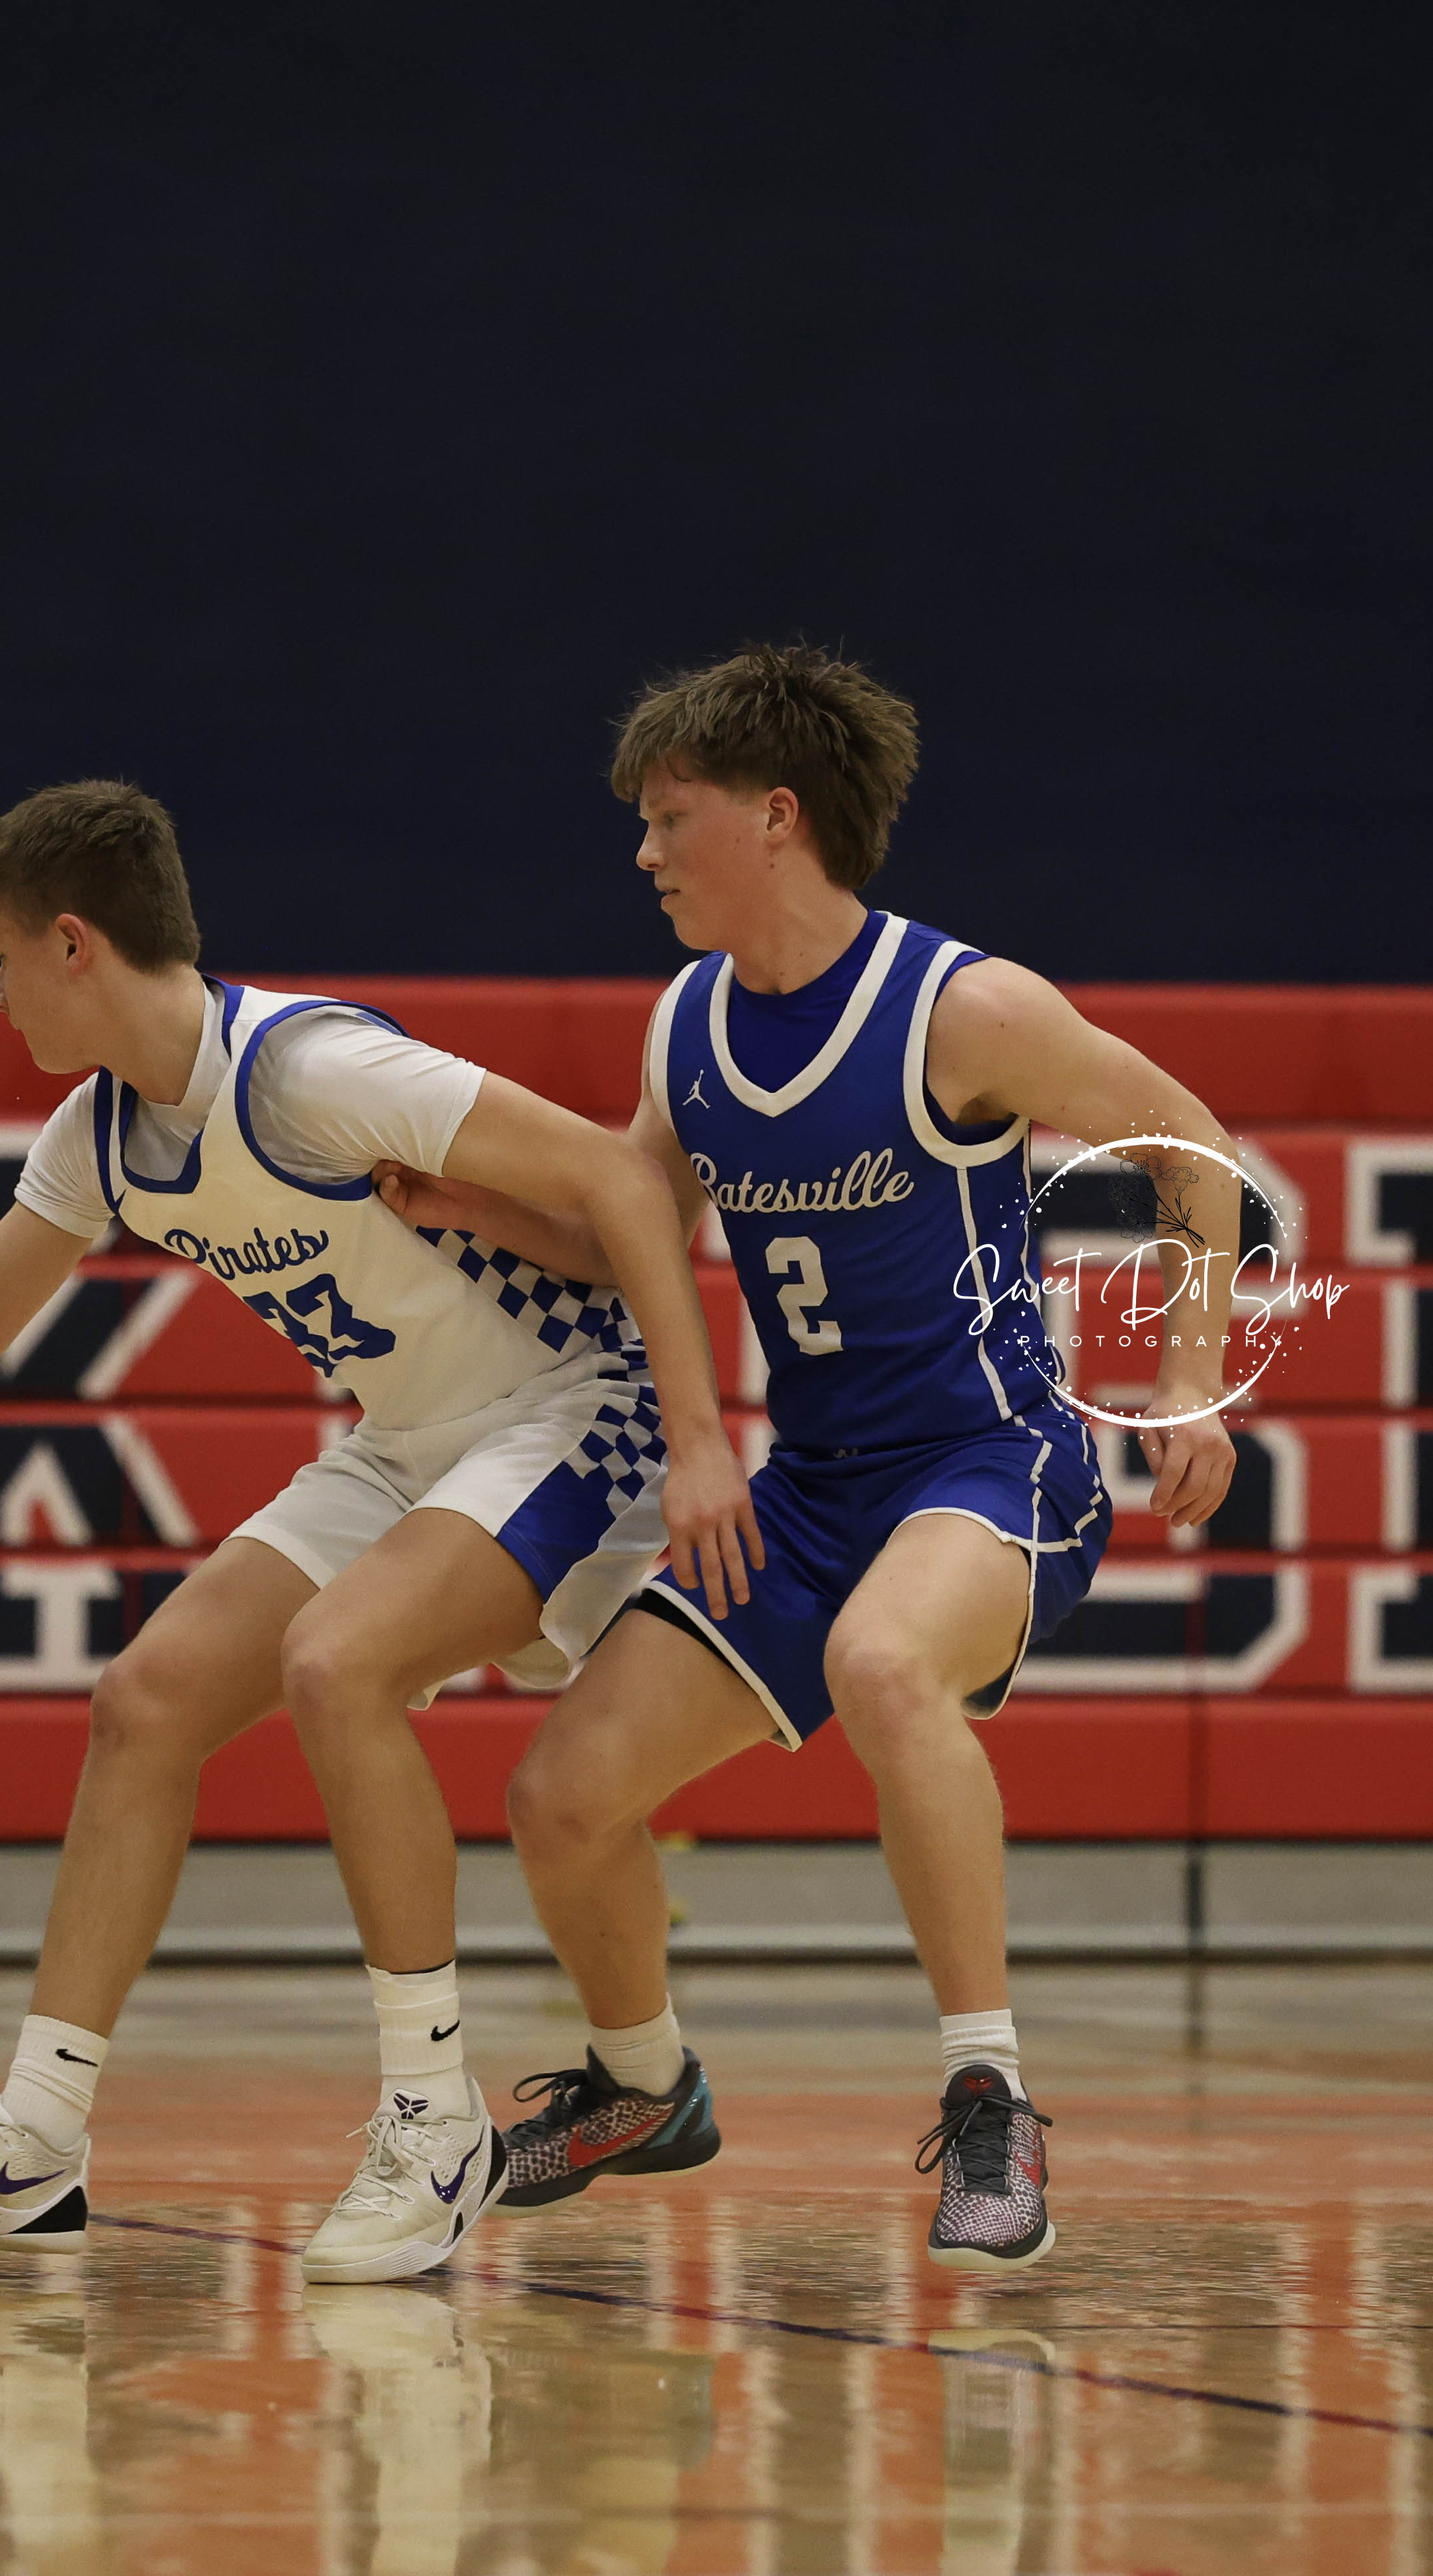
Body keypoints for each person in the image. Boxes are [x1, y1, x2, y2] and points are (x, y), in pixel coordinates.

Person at [0, 778, 756, 2281]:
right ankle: (35, 2143)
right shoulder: (100, 1133)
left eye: (0, 959)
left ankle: (434, 2125)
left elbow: (622, 1182)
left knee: (339, 1664)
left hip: (576, 1403)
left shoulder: (313, 1069)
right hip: (411, 1439)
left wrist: (699, 1437)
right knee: (147, 1698)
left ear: (73, 944)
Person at [381, 644, 1240, 2271]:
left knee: (884, 1665)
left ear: (776, 817)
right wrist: (471, 1207)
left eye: (670, 818)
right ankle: (645, 2087)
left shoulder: (963, 1007)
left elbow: (1194, 1143)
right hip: (816, 1486)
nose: (644, 852)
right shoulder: (690, 1023)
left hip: (995, 1461)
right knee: (560, 1798)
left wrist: (1189, 1385)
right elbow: (627, 1235)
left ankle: (991, 2100)